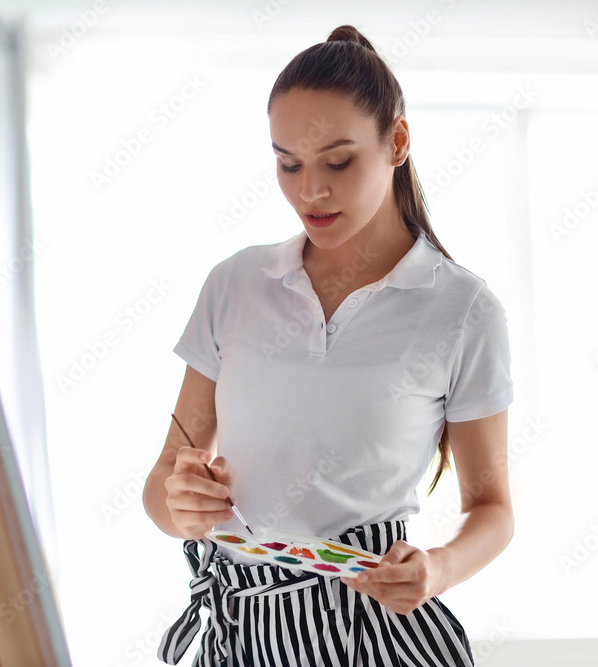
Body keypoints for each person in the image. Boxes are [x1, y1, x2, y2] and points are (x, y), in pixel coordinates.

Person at [143, 24, 514, 667]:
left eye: (337, 162)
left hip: (376, 631)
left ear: (397, 141)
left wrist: (438, 569)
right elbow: (162, 485)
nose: (309, 190)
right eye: (288, 163)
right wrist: (182, 504)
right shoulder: (234, 285)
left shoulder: (463, 310)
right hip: (237, 633)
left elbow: (493, 509)